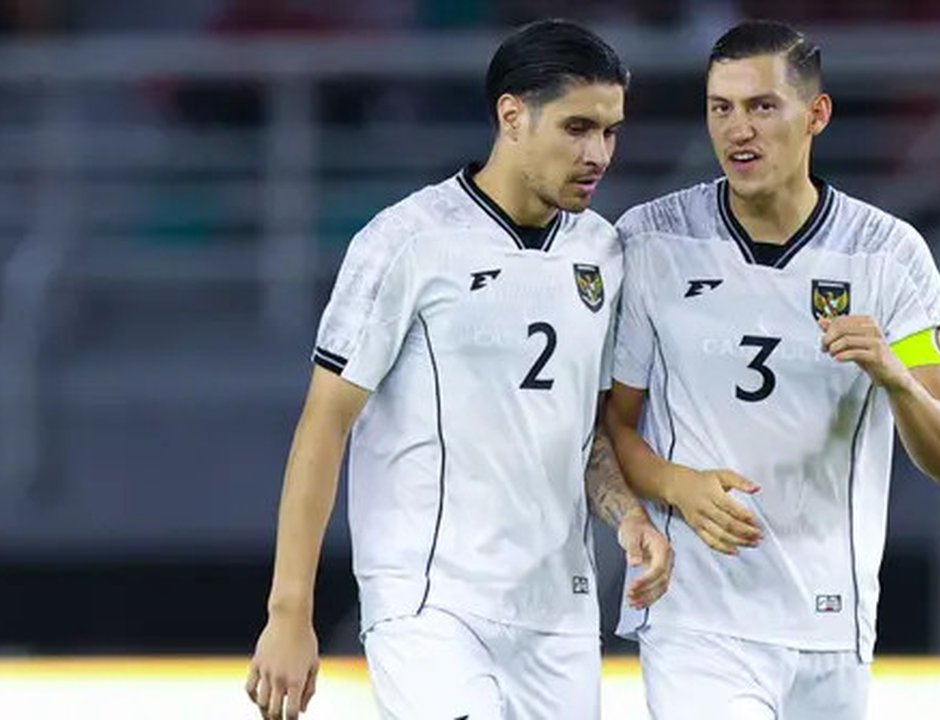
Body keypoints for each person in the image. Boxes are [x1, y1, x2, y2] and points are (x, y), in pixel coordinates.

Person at [245, 19, 673, 720]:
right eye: (576, 127)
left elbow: (583, 432)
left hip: (556, 614)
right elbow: (324, 424)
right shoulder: (407, 241)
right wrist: (289, 612)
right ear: (512, 114)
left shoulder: (602, 254)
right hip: (431, 604)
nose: (598, 153)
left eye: (610, 131)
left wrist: (628, 519)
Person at [604, 20, 940, 720]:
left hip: (829, 626)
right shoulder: (652, 241)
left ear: (816, 115)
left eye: (762, 107)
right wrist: (677, 485)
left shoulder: (888, 255)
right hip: (697, 620)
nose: (738, 130)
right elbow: (614, 427)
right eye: (722, 108)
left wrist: (894, 376)